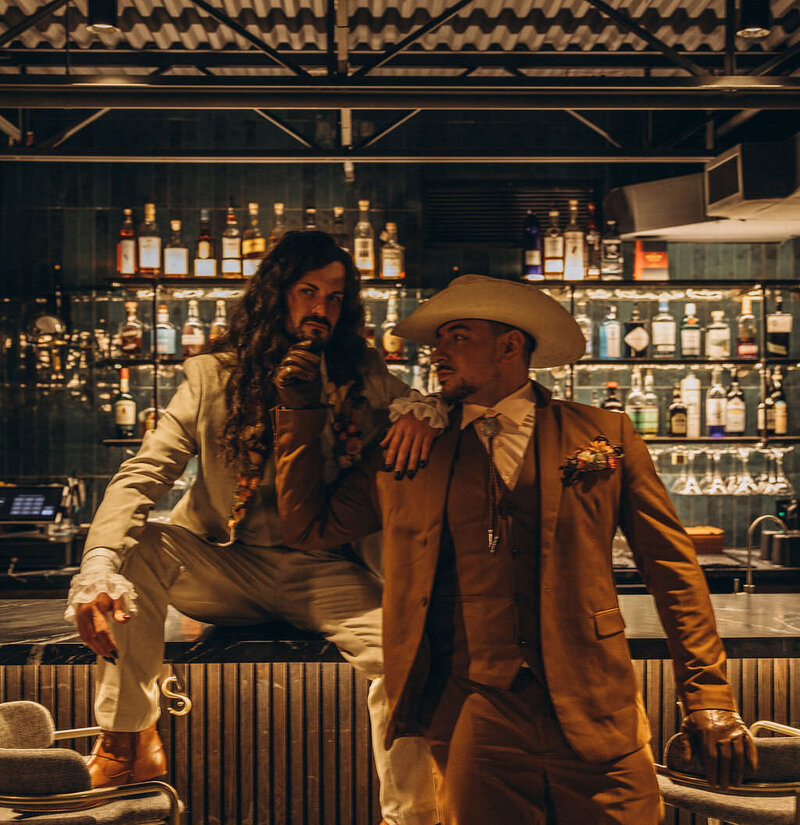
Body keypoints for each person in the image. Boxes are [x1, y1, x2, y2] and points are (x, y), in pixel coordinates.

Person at [271, 273, 757, 825]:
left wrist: (710, 697)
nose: (437, 353)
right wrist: (298, 411)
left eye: (457, 336)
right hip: (472, 717)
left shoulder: (604, 433)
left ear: (509, 345)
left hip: (597, 709)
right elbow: (309, 527)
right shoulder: (409, 444)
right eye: (437, 341)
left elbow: (674, 573)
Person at [65, 231, 442, 825]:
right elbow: (145, 472)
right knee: (136, 551)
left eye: (337, 297)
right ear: (276, 294)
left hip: (322, 571)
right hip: (225, 564)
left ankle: (414, 818)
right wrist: (98, 565)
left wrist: (425, 410)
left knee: (403, 659)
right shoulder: (212, 375)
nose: (322, 309)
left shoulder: (358, 373)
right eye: (308, 291)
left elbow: (417, 407)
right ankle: (126, 742)